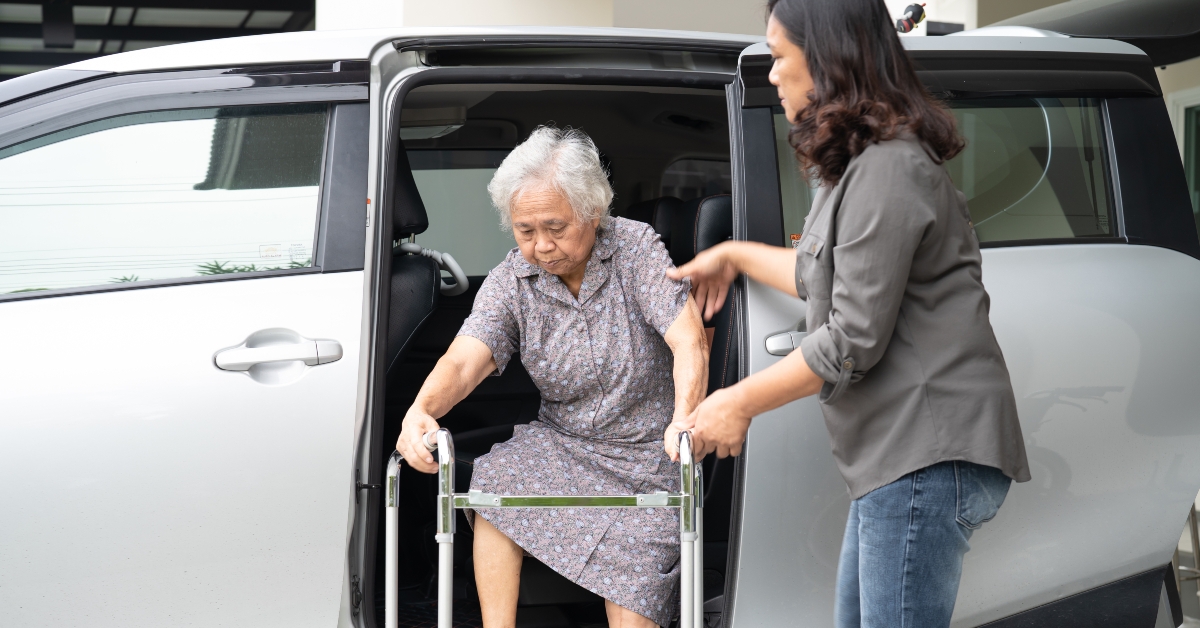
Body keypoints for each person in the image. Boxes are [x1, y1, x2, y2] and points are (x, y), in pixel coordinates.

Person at [666, 1, 1031, 626]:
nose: (774, 75)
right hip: (897, 459)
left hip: (926, 453)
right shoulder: (860, 169)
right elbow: (818, 277)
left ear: (829, 59)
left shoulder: (891, 169)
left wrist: (734, 403)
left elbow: (850, 339)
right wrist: (731, 254)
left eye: (781, 57)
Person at [396, 126, 708, 628]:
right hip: (563, 443)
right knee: (495, 484)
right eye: (524, 230)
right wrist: (420, 411)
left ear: (594, 212)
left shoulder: (636, 249)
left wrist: (684, 417)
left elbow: (687, 338)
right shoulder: (512, 278)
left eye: (556, 227)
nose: (541, 246)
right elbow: (464, 360)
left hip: (650, 449)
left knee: (636, 569)